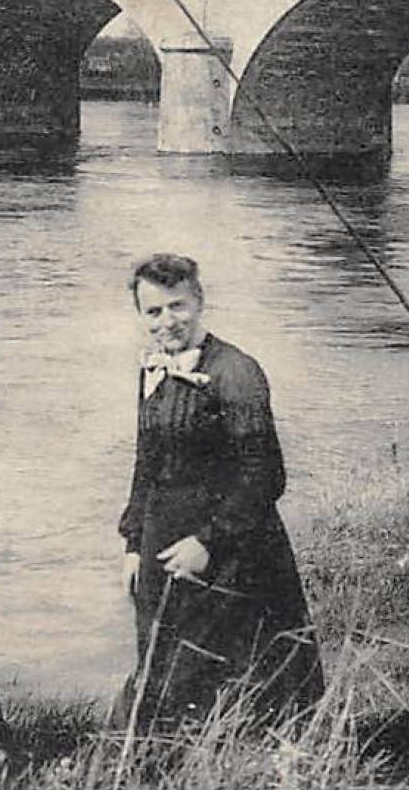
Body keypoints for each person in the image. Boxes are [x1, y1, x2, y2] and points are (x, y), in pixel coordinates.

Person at [116, 254, 323, 731]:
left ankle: (248, 771)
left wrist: (208, 543)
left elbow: (265, 475)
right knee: (159, 663)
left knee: (233, 668)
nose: (167, 322)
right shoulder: (153, 370)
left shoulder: (236, 372)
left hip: (231, 548)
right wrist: (132, 544)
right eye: (153, 312)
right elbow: (146, 463)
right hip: (162, 539)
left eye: (177, 306)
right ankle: (161, 771)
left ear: (199, 301)